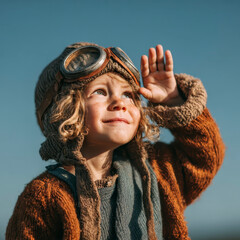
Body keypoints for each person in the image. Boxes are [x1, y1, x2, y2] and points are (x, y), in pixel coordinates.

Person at [6, 42, 225, 240]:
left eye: (129, 95)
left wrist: (172, 100)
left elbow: (206, 156)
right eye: (100, 91)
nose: (119, 103)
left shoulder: (156, 171)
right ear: (63, 110)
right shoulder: (44, 196)